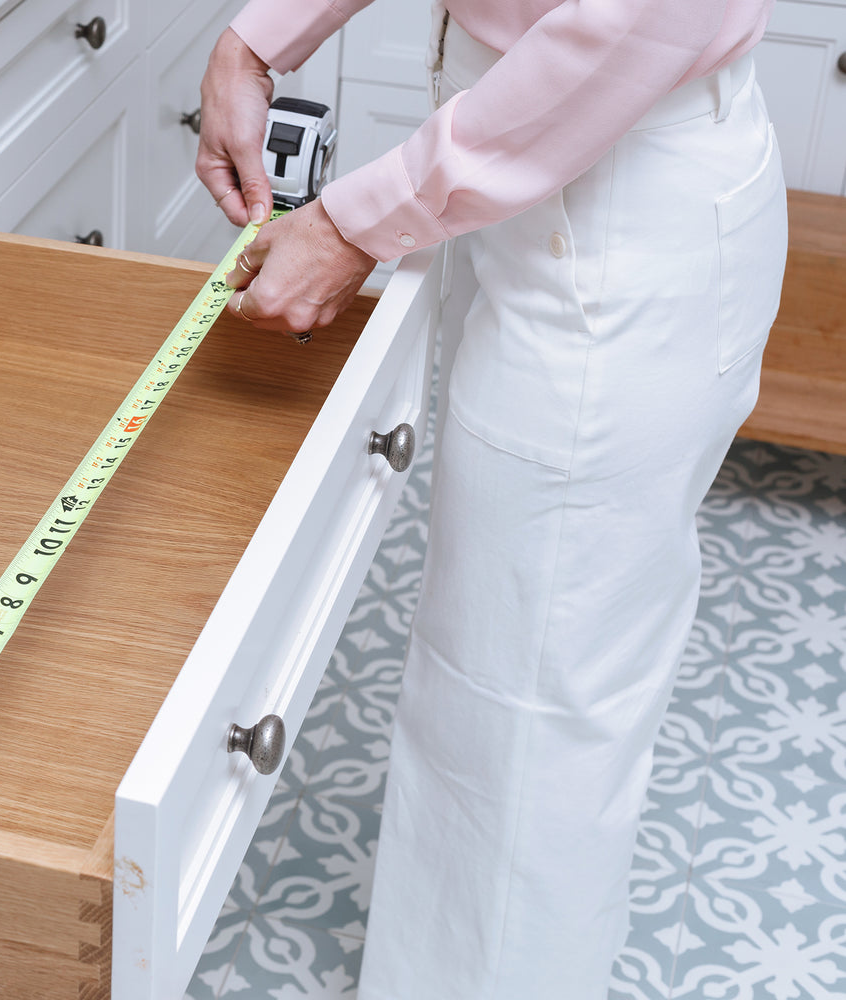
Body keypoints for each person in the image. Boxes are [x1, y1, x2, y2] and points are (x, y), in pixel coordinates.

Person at [197, 2, 786, 998]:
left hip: (611, 189)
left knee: (535, 706)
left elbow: (623, 27)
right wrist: (256, 39)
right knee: (492, 664)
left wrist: (354, 220)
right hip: (516, 162)